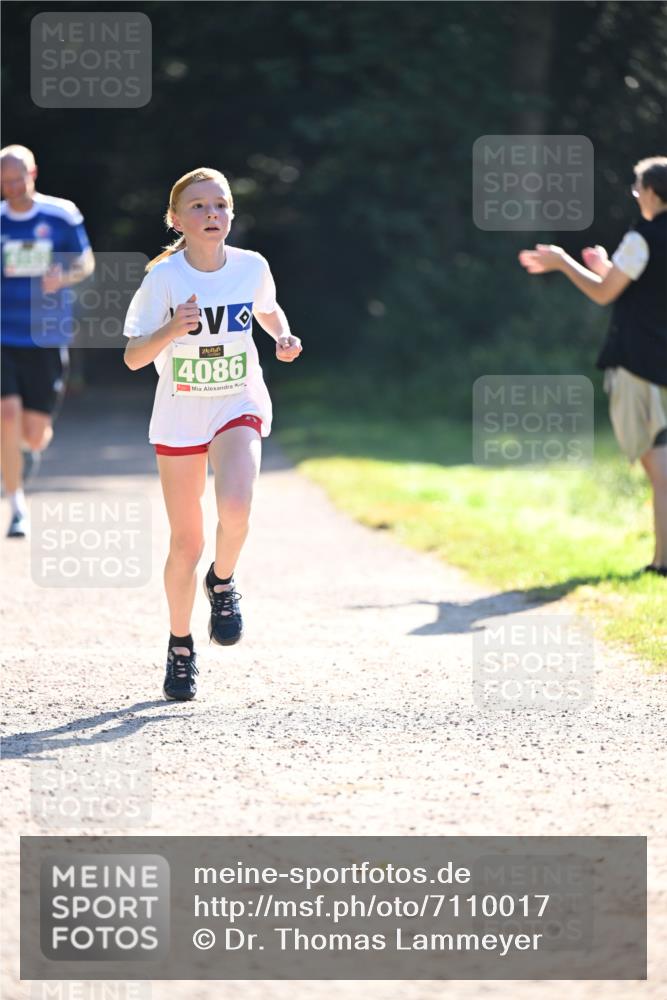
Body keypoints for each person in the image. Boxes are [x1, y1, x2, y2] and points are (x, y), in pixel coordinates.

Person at [123, 167, 302, 702]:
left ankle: (222, 581)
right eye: (198, 206)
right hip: (181, 412)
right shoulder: (164, 279)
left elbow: (267, 309)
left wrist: (282, 335)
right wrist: (171, 328)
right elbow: (133, 358)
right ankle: (180, 645)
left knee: (237, 505)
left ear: (231, 214)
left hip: (235, 400)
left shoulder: (251, 266)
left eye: (220, 205)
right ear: (176, 219)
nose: (211, 214)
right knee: (188, 541)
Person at [519, 155, 667, 577]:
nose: (635, 195)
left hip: (640, 363)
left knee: (659, 468)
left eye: (637, 188)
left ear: (651, 191)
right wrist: (605, 268)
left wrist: (563, 262)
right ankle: (660, 560)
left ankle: (663, 562)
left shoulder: (642, 237)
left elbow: (605, 294)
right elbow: (639, 286)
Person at [1, 144, 94, 537]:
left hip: (45, 336)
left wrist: (63, 275)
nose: (11, 187)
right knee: (6, 414)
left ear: (33, 174)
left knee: (35, 433)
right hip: (3, 335)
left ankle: (24, 452)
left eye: (17, 179)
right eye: (4, 181)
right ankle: (16, 505)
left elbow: (85, 262)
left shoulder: (61, 214)